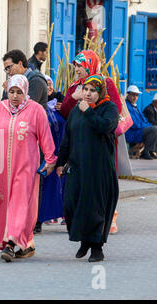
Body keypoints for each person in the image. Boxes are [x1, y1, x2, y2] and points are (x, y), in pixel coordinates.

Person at [0, 74, 56, 262]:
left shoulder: (35, 110)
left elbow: (45, 137)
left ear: (25, 91)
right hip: (2, 168)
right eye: (11, 91)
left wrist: (50, 160)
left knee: (20, 204)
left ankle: (10, 243)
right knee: (5, 205)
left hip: (26, 166)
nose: (15, 96)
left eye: (19, 92)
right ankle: (27, 243)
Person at [56, 74, 119, 262]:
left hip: (99, 168)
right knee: (71, 204)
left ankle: (96, 247)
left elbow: (106, 127)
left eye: (93, 90)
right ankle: (84, 240)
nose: (89, 94)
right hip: (77, 166)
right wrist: (60, 162)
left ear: (100, 92)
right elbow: (67, 138)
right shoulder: (76, 110)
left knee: (94, 207)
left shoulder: (109, 108)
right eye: (86, 90)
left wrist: (89, 112)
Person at [37, 75, 66, 227]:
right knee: (45, 186)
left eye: (50, 84)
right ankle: (42, 218)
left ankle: (64, 214)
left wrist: (66, 107)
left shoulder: (59, 104)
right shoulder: (39, 107)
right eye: (45, 84)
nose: (48, 88)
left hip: (60, 152)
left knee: (61, 184)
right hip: (44, 154)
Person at [59, 50, 122, 120]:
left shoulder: (105, 83)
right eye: (75, 66)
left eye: (79, 66)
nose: (76, 69)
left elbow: (117, 109)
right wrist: (73, 97)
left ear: (90, 65)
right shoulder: (74, 86)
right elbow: (64, 113)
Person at [124, 85, 157, 160]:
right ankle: (146, 151)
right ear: (128, 95)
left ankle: (154, 151)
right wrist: (146, 126)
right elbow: (134, 124)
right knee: (154, 129)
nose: (135, 98)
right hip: (132, 132)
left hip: (139, 130)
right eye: (133, 95)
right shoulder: (126, 106)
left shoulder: (135, 107)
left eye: (137, 95)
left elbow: (144, 120)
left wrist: (147, 125)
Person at [143, 93, 157, 158]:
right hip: (149, 129)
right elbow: (152, 122)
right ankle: (150, 150)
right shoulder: (149, 110)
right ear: (153, 103)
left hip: (156, 128)